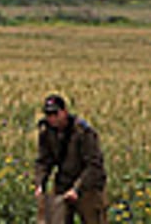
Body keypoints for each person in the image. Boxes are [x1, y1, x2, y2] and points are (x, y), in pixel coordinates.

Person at [35, 94, 107, 224]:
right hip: (64, 182)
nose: (52, 118)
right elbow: (43, 161)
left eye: (55, 114)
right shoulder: (46, 132)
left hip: (88, 185)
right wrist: (40, 183)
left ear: (64, 112)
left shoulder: (83, 132)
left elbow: (94, 165)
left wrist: (76, 189)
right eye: (48, 114)